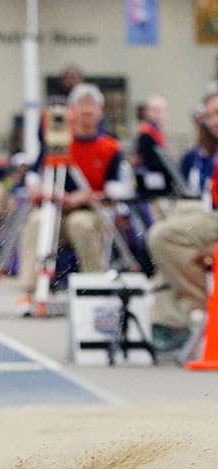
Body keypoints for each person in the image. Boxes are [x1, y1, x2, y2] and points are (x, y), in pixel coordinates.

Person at [17, 83, 130, 313]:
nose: (87, 110)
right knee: (36, 222)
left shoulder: (110, 147)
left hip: (89, 211)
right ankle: (30, 291)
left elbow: (115, 189)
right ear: (71, 111)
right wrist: (44, 191)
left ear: (101, 111)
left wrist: (83, 197)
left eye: (92, 105)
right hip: (54, 209)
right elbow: (34, 177)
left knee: (81, 225)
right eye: (81, 104)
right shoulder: (58, 142)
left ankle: (94, 289)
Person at [147, 89, 218, 353]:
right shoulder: (199, 154)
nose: (214, 121)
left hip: (210, 219)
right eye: (210, 116)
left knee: (164, 237)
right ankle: (167, 319)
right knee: (165, 227)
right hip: (205, 214)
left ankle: (198, 306)